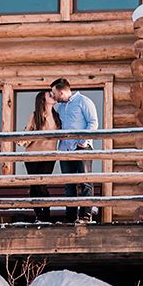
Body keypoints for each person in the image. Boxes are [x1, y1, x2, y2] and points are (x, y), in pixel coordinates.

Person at [49, 78, 99, 223]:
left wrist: (83, 141)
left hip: (82, 147)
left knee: (85, 181)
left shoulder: (84, 101)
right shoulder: (60, 108)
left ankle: (85, 215)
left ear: (61, 91)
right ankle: (70, 217)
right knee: (68, 183)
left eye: (54, 93)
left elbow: (93, 122)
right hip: (65, 149)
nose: (53, 96)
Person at [16, 90, 61, 222]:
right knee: (35, 185)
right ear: (42, 99)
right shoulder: (35, 116)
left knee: (42, 184)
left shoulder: (57, 116)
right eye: (49, 94)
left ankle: (45, 214)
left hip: (49, 156)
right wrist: (21, 141)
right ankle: (39, 215)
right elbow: (28, 132)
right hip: (33, 156)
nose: (53, 96)